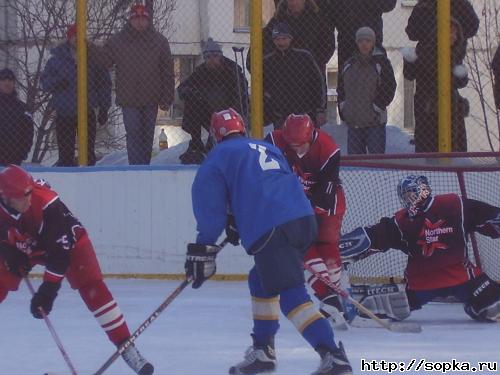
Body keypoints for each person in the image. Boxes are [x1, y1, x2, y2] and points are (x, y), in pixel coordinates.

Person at [185, 108, 352, 375]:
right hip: (304, 220)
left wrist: (204, 245)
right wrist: (239, 220)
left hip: (273, 227)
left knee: (291, 295)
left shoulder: (218, 156)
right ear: (242, 130)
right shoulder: (266, 148)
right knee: (260, 279)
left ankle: (333, 355)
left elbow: (210, 211)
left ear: (216, 135)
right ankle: (263, 351)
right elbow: (270, 185)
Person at [0, 165, 154, 374]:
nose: (28, 198)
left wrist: (47, 292)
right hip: (25, 241)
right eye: (22, 196)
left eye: (30, 192)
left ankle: (127, 348)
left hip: (66, 240)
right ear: (6, 198)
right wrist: (8, 252)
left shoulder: (46, 204)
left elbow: (59, 255)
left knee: (92, 286)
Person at [339, 175, 500, 324]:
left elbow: (488, 216)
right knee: (385, 305)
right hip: (423, 282)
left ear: (424, 190)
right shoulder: (401, 221)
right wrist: (339, 251)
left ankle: (475, 305)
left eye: (412, 192)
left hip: (462, 277)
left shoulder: (453, 204)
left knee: (493, 307)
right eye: (405, 195)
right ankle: (342, 304)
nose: (409, 198)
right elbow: (374, 236)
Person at [265, 113, 349, 329]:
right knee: (303, 246)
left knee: (322, 245)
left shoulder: (328, 149)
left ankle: (331, 298)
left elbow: (325, 193)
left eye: (301, 145)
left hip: (326, 204)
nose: (296, 150)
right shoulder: (273, 141)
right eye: (292, 145)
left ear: (311, 136)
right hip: (298, 199)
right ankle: (331, 299)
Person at [91, 4, 175, 165]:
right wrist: (90, 48)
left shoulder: (159, 41)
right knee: (133, 134)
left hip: (151, 97)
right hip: (129, 98)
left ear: (148, 20)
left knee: (147, 135)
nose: (140, 22)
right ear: (130, 20)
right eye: (136, 18)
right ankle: (135, 166)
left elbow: (167, 71)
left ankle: (144, 167)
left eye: (143, 18)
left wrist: (167, 96)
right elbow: (105, 61)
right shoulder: (118, 41)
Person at [405, 0, 479, 152]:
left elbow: (472, 27)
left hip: (451, 61)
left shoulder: (459, 5)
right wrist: (433, 30)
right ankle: (427, 162)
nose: (449, 34)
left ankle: (455, 164)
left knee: (452, 125)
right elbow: (411, 32)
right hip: (427, 76)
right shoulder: (425, 5)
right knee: (427, 128)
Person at [41, 24, 111, 166]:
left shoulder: (93, 58)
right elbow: (44, 82)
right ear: (69, 38)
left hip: (86, 110)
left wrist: (104, 107)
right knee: (65, 154)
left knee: (88, 153)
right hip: (65, 112)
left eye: (80, 36)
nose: (77, 39)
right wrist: (58, 82)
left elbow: (104, 83)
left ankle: (88, 180)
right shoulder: (57, 59)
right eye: (74, 36)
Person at [177, 38, 248, 165]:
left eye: (215, 56)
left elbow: (242, 91)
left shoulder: (232, 70)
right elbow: (183, 87)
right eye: (208, 57)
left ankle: (220, 141)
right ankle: (196, 143)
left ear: (220, 56)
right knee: (191, 101)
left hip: (229, 112)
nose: (212, 60)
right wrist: (191, 93)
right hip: (208, 111)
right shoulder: (201, 71)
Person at [337, 27, 396, 154]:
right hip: (354, 123)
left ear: (373, 43)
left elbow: (390, 86)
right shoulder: (348, 64)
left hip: (374, 123)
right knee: (356, 166)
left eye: (368, 40)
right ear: (357, 43)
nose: (364, 44)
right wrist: (343, 107)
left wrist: (377, 107)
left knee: (376, 164)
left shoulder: (382, 63)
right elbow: (341, 89)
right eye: (361, 41)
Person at [263, 23, 326, 128]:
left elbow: (319, 82)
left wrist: (320, 109)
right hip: (280, 116)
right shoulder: (268, 61)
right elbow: (264, 86)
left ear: (290, 39)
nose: (281, 42)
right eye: (277, 39)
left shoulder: (305, 57)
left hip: (306, 114)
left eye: (284, 38)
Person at [318, 0, 397, 69]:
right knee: (346, 79)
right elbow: (330, 9)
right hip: (347, 40)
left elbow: (389, 4)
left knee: (378, 77)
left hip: (371, 41)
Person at [0, 68, 34, 166]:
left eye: (10, 79)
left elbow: (29, 133)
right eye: (3, 79)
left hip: (15, 158)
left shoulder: (22, 108)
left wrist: (23, 153)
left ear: (14, 83)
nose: (7, 82)